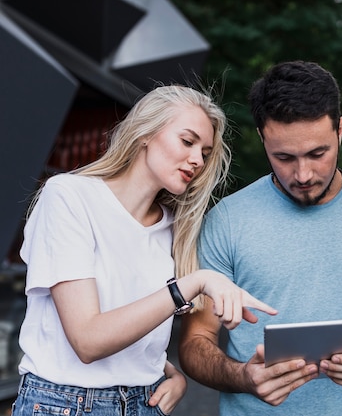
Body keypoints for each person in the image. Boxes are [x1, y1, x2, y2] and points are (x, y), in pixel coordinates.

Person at [12, 85, 276, 416]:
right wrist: (193, 283)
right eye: (187, 141)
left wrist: (168, 374)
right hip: (66, 404)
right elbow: (87, 340)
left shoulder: (175, 229)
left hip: (145, 403)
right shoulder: (69, 197)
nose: (196, 160)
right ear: (145, 134)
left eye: (205, 153)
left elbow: (132, 332)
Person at [178, 61, 342, 415]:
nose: (303, 174)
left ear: (340, 131)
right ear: (262, 137)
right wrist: (244, 376)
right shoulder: (227, 220)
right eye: (284, 157)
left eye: (318, 154)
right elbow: (196, 342)